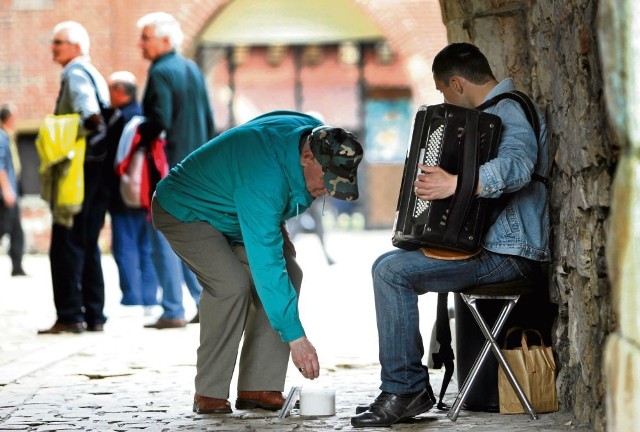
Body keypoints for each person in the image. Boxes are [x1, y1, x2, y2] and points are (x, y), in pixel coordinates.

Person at [350, 42, 550, 428]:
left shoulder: (509, 108)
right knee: (387, 264)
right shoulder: (491, 114)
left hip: (509, 254)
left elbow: (518, 166)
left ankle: (405, 390)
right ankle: (406, 387)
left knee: (391, 273)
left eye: (443, 91)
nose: (445, 98)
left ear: (456, 83)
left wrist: (455, 184)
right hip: (490, 248)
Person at [151, 111, 363, 414]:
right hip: (186, 209)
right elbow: (266, 262)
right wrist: (296, 338)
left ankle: (258, 386)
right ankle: (209, 393)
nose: (329, 189)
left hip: (235, 211)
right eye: (327, 180)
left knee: (289, 273)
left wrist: (274, 218)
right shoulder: (265, 179)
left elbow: (266, 124)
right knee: (230, 285)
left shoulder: (313, 134)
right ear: (306, 157)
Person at [136, 11, 215, 328]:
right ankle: (201, 301)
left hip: (168, 167)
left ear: (165, 40)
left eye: (145, 37)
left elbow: (159, 121)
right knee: (191, 236)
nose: (140, 44)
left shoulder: (160, 72)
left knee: (165, 233)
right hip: (196, 166)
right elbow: (208, 120)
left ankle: (172, 308)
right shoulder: (192, 68)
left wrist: (140, 135)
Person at [38, 21, 111, 334]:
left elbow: (91, 115)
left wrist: (70, 139)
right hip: (97, 170)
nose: (53, 48)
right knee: (88, 241)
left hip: (78, 171)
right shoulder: (94, 72)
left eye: (59, 42)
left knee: (66, 243)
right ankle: (94, 314)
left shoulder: (75, 73)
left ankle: (70, 314)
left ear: (77, 46)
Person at [106, 71, 159, 310]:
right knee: (147, 246)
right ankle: (149, 297)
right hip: (147, 194)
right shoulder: (146, 118)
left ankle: (131, 297)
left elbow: (112, 161)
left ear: (120, 91)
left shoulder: (121, 121)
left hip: (123, 195)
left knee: (125, 246)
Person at [0, 104, 26, 277]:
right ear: (8, 118)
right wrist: (7, 190)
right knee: (3, 228)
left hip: (13, 190)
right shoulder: (1, 137)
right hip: (5, 193)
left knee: (17, 231)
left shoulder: (8, 136)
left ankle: (17, 267)